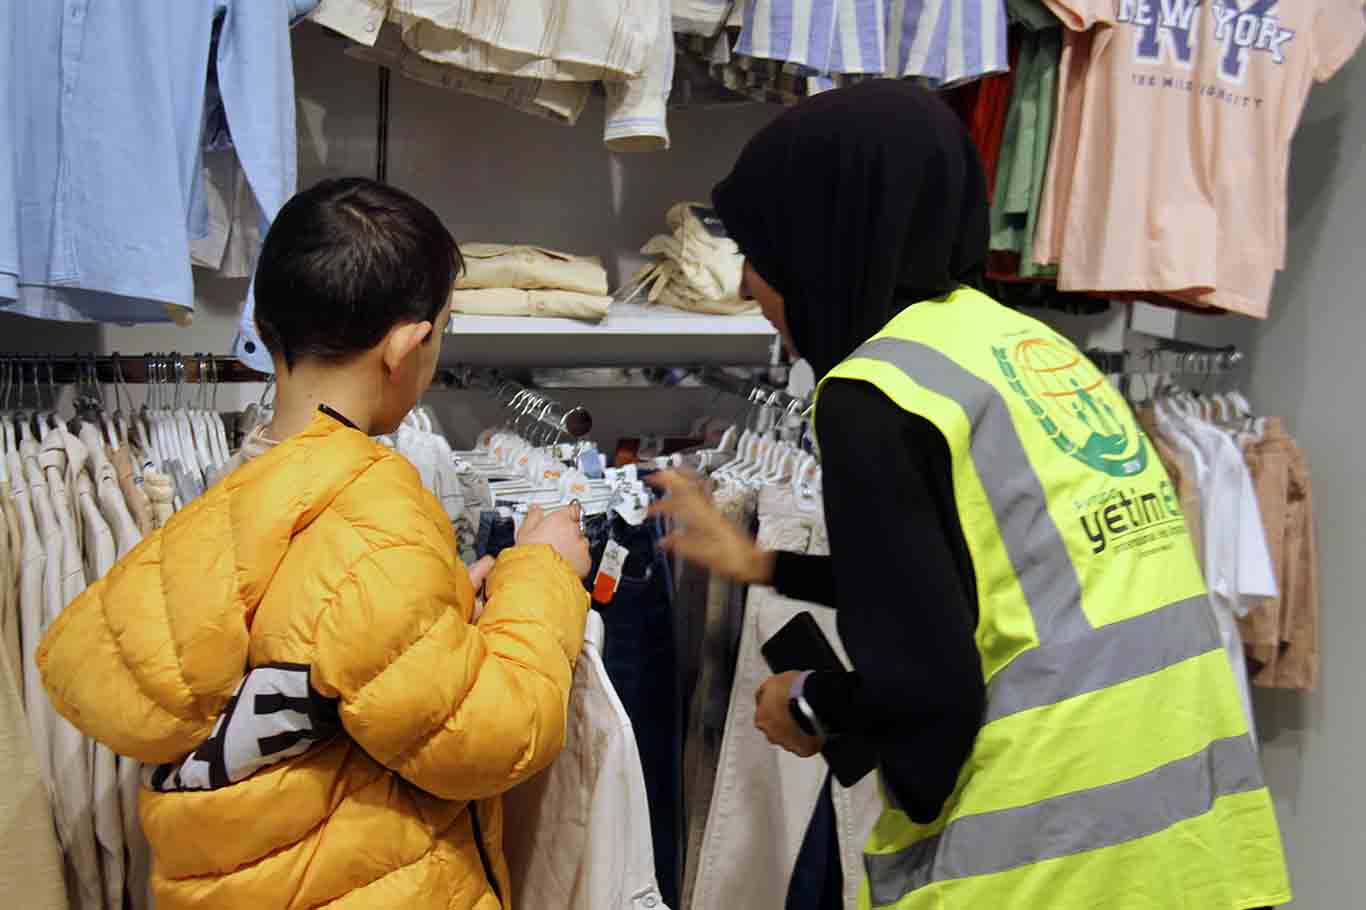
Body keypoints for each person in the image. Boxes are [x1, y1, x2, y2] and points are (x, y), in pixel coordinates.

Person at [650, 81, 1290, 910]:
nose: (747, 286)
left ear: (827, 239)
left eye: (764, 251)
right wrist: (766, 564)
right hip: (1193, 846)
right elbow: (995, 581)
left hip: (1044, 862)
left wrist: (808, 705)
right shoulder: (1032, 352)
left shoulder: (874, 393)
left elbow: (927, 689)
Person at [37, 178, 593, 909]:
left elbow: (316, 652)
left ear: (266, 328)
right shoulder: (374, 517)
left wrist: (449, 602)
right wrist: (543, 575)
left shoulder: (231, 498)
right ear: (408, 346)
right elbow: (494, 734)